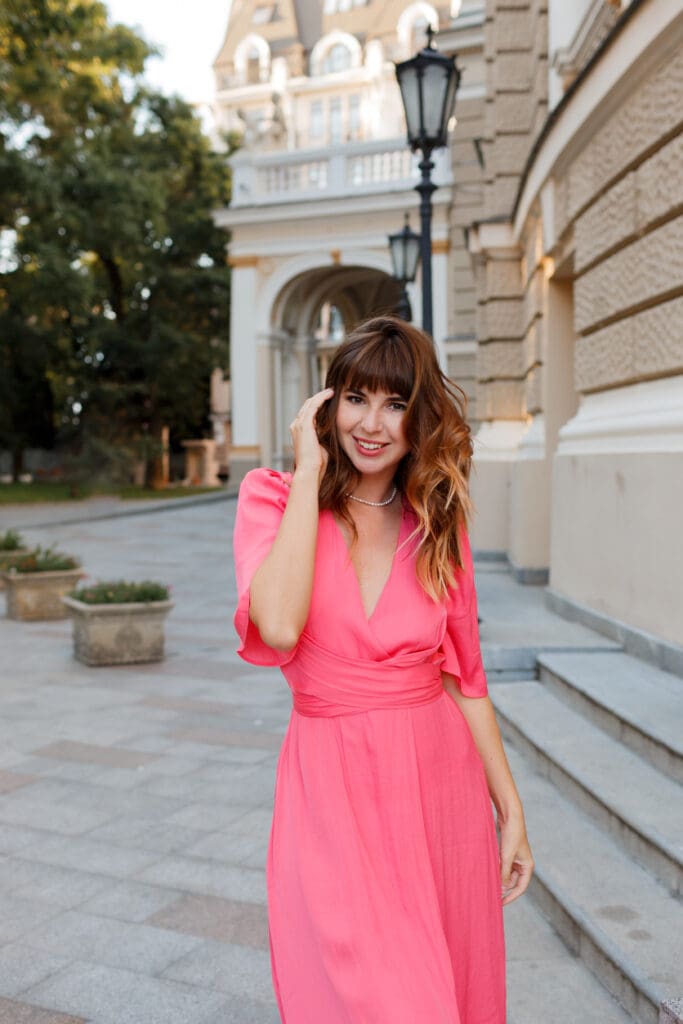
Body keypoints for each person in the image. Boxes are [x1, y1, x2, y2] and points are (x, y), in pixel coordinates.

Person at [232, 315, 534, 1024]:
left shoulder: (436, 520)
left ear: (419, 417)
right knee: (356, 993)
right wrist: (309, 472)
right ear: (326, 405)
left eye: (395, 404)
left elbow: (465, 677)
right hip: (329, 787)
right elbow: (277, 624)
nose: (372, 423)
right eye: (356, 398)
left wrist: (510, 810)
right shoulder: (274, 499)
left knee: (440, 990)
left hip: (436, 788)